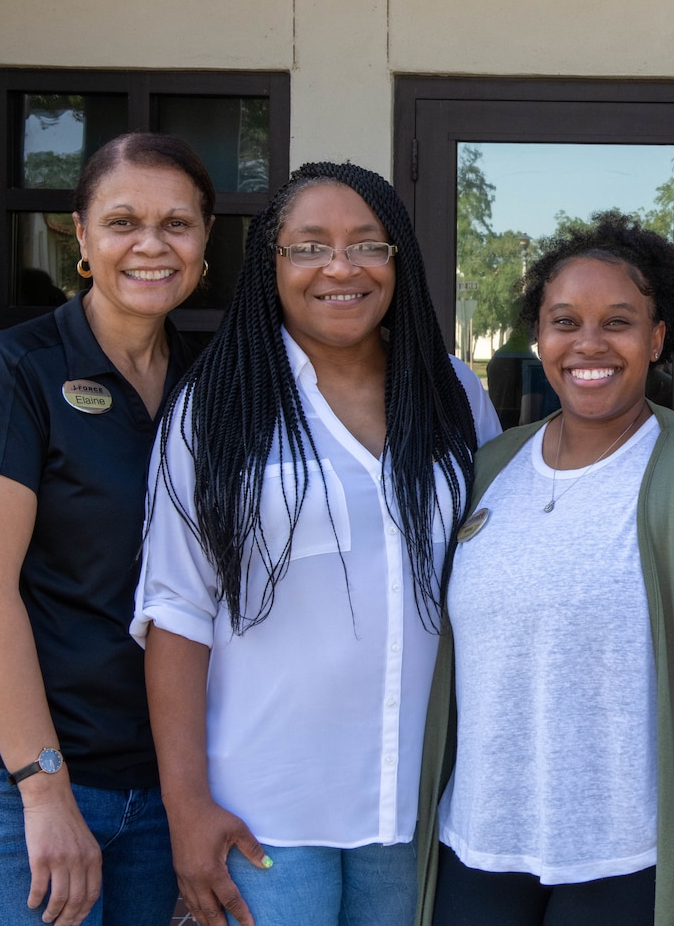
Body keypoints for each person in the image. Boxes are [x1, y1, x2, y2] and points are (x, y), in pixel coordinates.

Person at [416, 212, 674, 926]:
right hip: (477, 853)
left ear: (657, 337)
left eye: (618, 322)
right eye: (564, 321)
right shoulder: (488, 473)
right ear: (538, 336)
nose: (589, 344)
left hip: (632, 864)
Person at [132, 162, 501, 926]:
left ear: (399, 259)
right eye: (308, 246)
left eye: (368, 244)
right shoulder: (217, 407)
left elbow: (495, 575)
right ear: (272, 264)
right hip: (265, 808)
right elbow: (175, 610)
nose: (340, 267)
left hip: (419, 799)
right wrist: (187, 807)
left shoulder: (454, 395)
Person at [0, 132, 216, 926]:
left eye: (176, 224)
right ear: (81, 238)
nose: (151, 245)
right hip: (11, 784)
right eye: (123, 222)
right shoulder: (15, 370)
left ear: (205, 240)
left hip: (154, 787)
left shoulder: (207, 384)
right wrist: (44, 790)